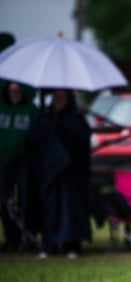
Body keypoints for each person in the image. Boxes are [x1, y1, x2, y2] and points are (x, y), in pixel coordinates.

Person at [25, 89, 92, 259]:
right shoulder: (46, 119)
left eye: (62, 98)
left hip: (71, 175)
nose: (58, 101)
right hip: (49, 174)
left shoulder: (76, 120)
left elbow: (82, 144)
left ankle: (72, 245)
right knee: (50, 208)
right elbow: (34, 139)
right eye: (56, 98)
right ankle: (49, 244)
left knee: (70, 209)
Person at [0, 81, 39, 252]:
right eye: (10, 90)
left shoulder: (31, 111)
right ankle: (12, 238)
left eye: (16, 90)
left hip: (25, 162)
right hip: (4, 162)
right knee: (5, 201)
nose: (13, 93)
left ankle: (30, 237)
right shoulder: (2, 109)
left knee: (26, 199)